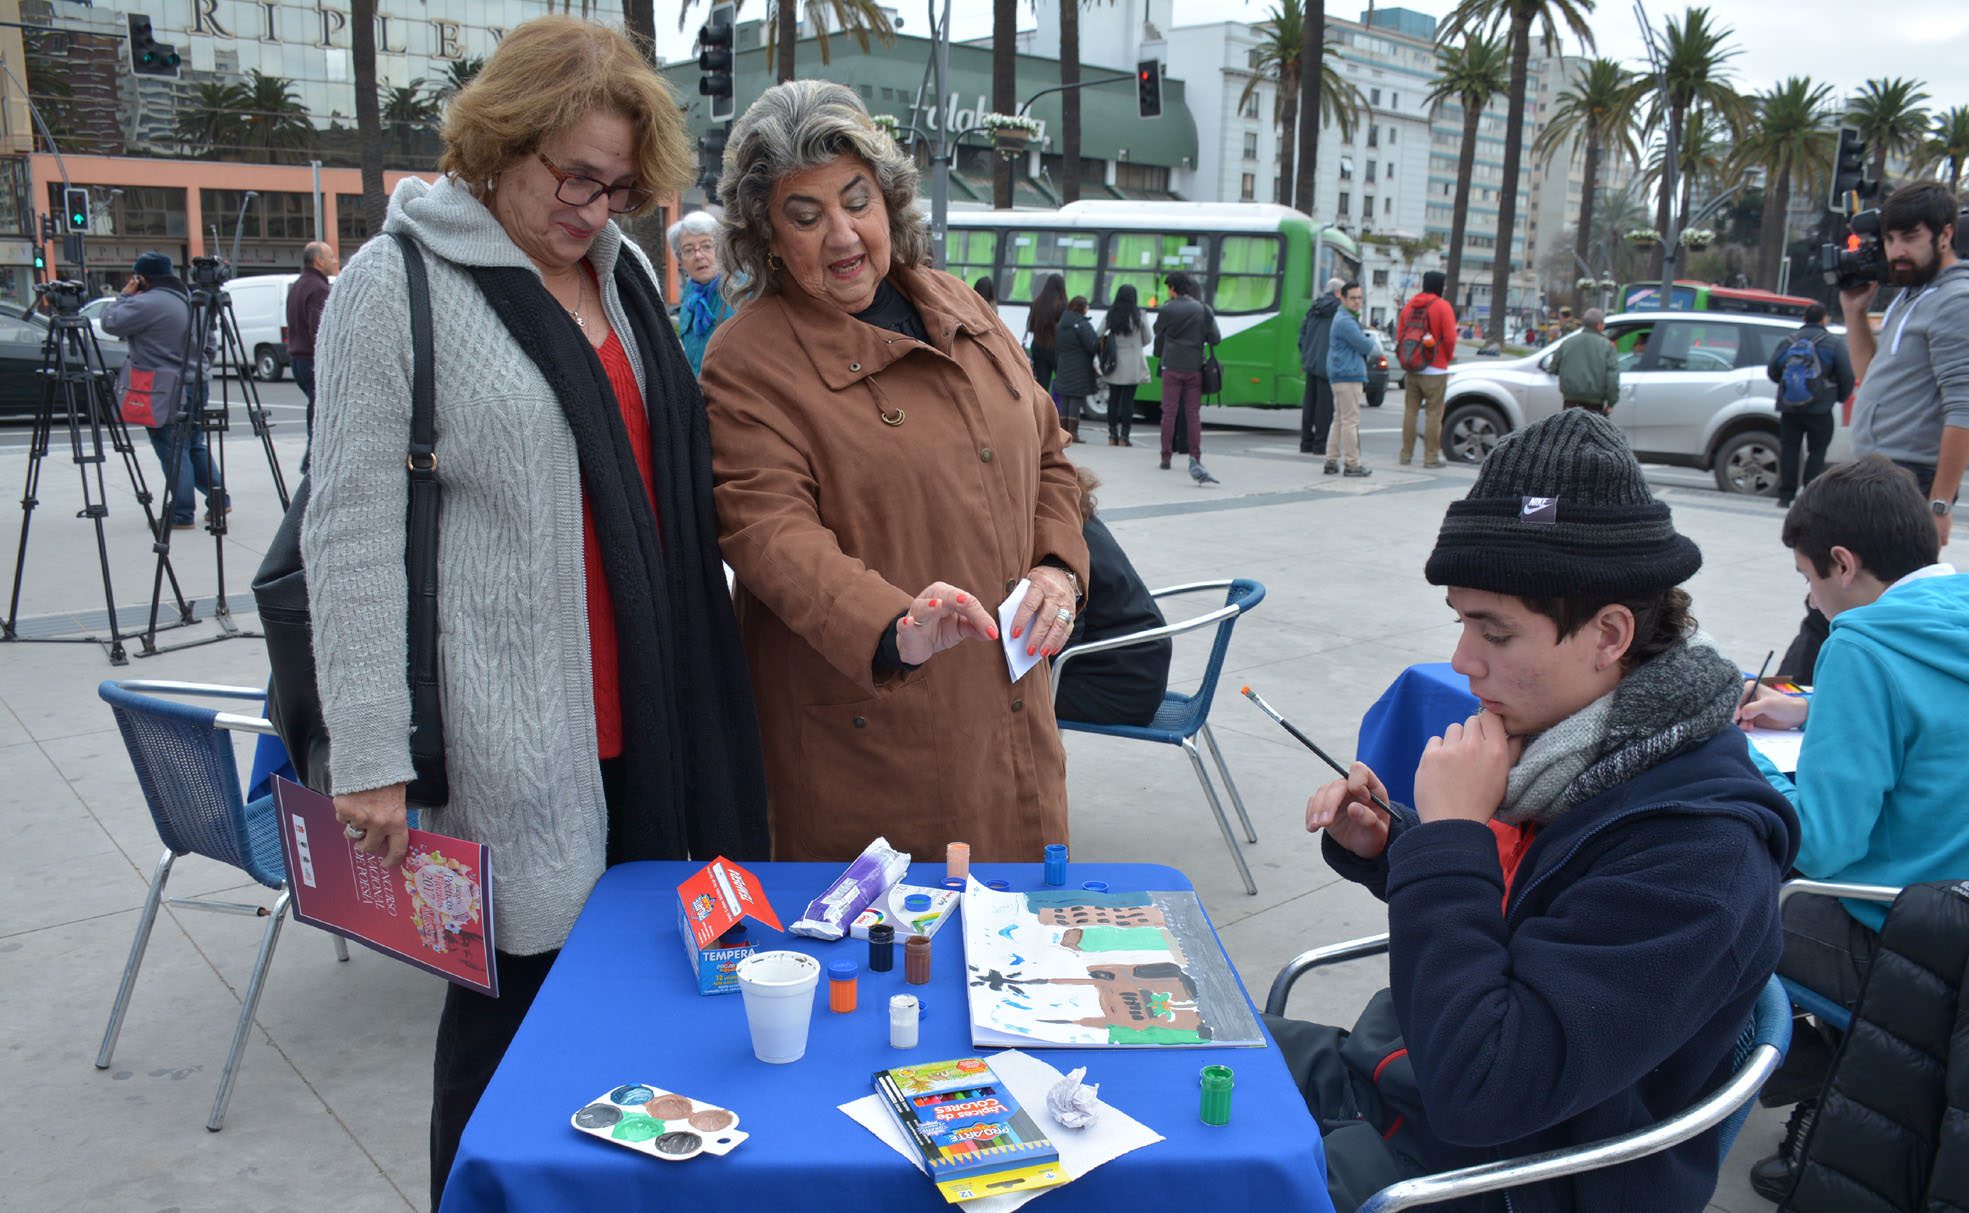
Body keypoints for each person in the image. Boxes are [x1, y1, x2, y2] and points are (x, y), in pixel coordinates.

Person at [297, 19, 768, 1207]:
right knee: (512, 1026)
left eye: (620, 185)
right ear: (499, 141)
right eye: (575, 176)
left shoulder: (616, 276)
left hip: (652, 713)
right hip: (512, 729)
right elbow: (346, 532)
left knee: (647, 1007)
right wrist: (370, 753)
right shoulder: (392, 285)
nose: (596, 205)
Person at [1270, 409, 1796, 1213]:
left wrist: (1451, 842)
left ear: (1609, 633)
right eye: (1461, 620)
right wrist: (1397, 847)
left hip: (1519, 1171)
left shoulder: (1698, 851)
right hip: (1410, 1076)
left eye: (1496, 631)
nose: (1461, 659)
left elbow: (1485, 1089)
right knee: (1174, 1051)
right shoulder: (1583, 754)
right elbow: (1545, 907)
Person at [699, 80, 1087, 864]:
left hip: (1012, 722)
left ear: (889, 201)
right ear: (767, 238)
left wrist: (1056, 569)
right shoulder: (747, 358)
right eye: (804, 217)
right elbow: (766, 529)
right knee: (894, 969)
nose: (842, 235)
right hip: (870, 743)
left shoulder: (957, 303)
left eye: (856, 201)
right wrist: (891, 626)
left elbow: (1047, 450)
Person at [1732, 455, 1968, 1200]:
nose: (1810, 597)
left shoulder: (1862, 643)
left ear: (1841, 562)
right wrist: (1812, 707)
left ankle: (1813, 1087)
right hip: (1955, 903)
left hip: (1901, 933)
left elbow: (1826, 843)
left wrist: (1748, 774)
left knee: (1727, 911)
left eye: (1806, 578)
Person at [1838, 179, 1968, 545]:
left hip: (1911, 479)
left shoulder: (1957, 301)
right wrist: (1854, 312)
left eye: (1910, 238)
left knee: (1865, 593)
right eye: (1891, 239)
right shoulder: (1913, 294)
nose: (1897, 252)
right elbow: (1870, 375)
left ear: (1945, 234)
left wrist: (1939, 504)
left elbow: (1964, 410)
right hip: (1878, 473)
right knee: (1844, 593)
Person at [101, 251, 223, 530]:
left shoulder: (144, 302)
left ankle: (181, 513)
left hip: (162, 389)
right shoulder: (194, 298)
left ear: (141, 278)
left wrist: (124, 295)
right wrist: (201, 367)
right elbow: (211, 342)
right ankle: (219, 499)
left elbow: (110, 322)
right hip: (197, 383)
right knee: (194, 444)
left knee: (172, 448)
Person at [1051, 467, 1171, 727]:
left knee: (990, 695)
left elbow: (1064, 635)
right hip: (1137, 671)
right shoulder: (1077, 516)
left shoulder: (1059, 541)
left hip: (1116, 689)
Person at [1765, 303, 1854, 508]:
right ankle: (1809, 495)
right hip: (1820, 409)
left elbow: (1772, 371)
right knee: (1817, 450)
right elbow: (1846, 375)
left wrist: (1790, 386)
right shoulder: (1833, 343)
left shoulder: (1787, 341)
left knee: (1789, 449)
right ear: (1824, 319)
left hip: (1789, 407)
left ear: (1804, 319)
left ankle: (1785, 495)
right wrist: (1837, 396)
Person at [1153, 270, 1219, 473]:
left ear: (1172, 288)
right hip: (1194, 368)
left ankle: (1166, 457)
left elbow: (1158, 331)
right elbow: (1215, 338)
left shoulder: (1167, 309)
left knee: (1169, 413)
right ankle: (1195, 456)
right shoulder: (1203, 309)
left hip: (1171, 367)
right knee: (1193, 414)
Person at [1394, 270, 1456, 466]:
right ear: (1439, 286)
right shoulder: (1442, 307)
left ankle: (1405, 455)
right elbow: (1450, 338)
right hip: (1435, 369)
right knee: (1434, 413)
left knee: (1410, 412)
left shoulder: (1409, 306)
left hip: (1412, 368)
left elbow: (1400, 337)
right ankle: (1430, 457)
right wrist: (1446, 356)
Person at [285, 240, 337, 469]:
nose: (335, 261)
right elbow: (320, 330)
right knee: (321, 414)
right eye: (331, 257)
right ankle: (312, 464)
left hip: (299, 359)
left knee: (315, 410)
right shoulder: (318, 289)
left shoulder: (298, 285)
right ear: (319, 261)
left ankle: (312, 462)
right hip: (313, 360)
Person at [668, 209, 733, 375]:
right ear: (680, 259)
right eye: (689, 250)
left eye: (706, 246)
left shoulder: (742, 293)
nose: (698, 255)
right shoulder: (688, 303)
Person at [1323, 281, 1373, 478]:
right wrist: (1369, 341)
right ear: (1342, 298)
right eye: (1353, 298)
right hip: (1348, 374)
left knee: (1339, 419)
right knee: (1351, 421)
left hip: (1340, 374)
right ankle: (1352, 463)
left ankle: (1331, 459)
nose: (1357, 302)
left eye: (1360, 298)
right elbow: (1365, 346)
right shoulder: (1345, 321)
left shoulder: (1343, 318)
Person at [1097, 283, 1150, 447]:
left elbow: (1099, 334)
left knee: (1113, 399)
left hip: (1114, 363)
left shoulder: (1112, 314)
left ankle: (1112, 435)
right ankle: (1124, 437)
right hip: (1133, 364)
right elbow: (1148, 338)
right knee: (1128, 401)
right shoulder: (1139, 315)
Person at [1298, 277, 1345, 455]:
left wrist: (1307, 355)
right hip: (1328, 362)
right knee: (1325, 406)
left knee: (1309, 402)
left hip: (1311, 361)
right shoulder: (1339, 310)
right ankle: (1320, 444)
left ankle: (1306, 442)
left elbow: (1302, 335)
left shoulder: (1314, 307)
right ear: (1338, 292)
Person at [1548, 306, 1621, 417]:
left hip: (1569, 401)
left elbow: (1553, 368)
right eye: (1603, 324)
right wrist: (1611, 402)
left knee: (1569, 431)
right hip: (1595, 404)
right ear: (1598, 325)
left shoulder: (1567, 342)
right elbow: (1612, 377)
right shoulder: (1607, 346)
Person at [1052, 294, 1099, 444]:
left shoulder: (1061, 323)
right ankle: (1073, 432)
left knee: (1065, 397)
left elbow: (1057, 345)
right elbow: (1092, 344)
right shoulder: (1082, 324)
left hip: (1064, 363)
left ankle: (1063, 431)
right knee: (1075, 399)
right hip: (1080, 365)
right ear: (1082, 308)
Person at [1026, 272, 1066, 391]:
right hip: (1056, 348)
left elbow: (1031, 326)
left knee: (1042, 384)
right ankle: (1055, 408)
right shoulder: (1062, 304)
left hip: (1038, 346)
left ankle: (1039, 408)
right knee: (1062, 382)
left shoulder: (1037, 302)